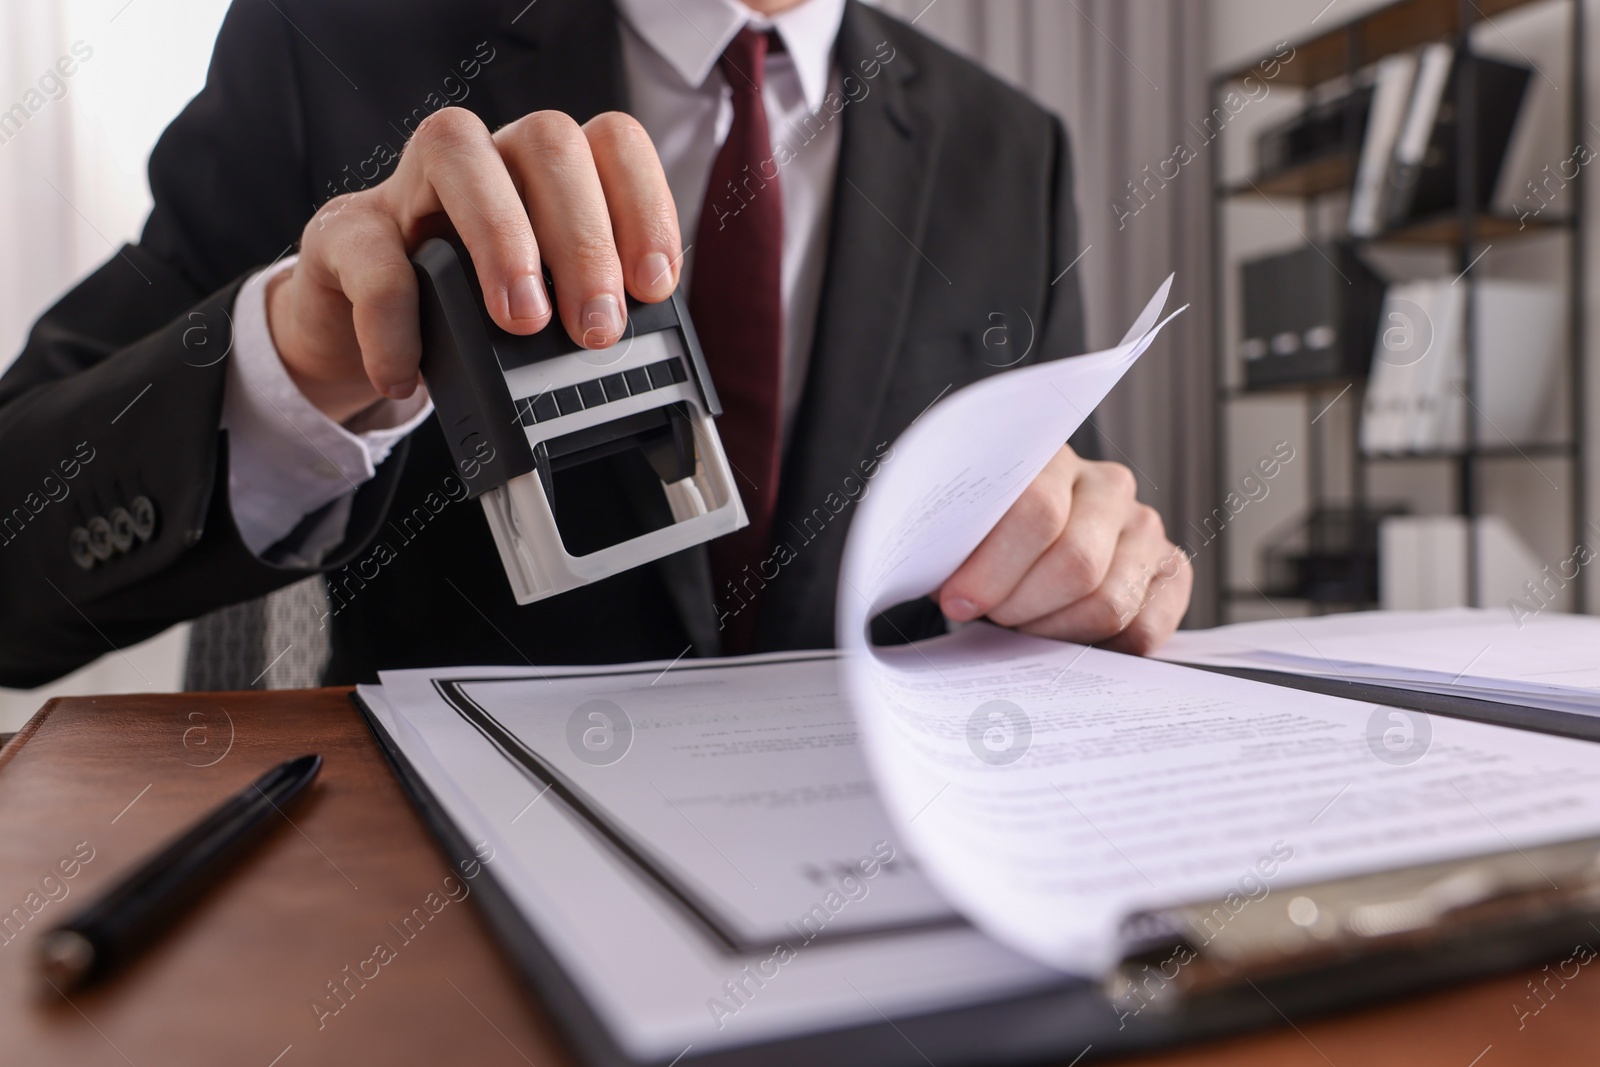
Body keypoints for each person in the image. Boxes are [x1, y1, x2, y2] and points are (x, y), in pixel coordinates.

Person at [0, 0, 1192, 688]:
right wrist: (298, 366)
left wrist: (1092, 562)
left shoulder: (1012, 146)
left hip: (881, 910)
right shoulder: (335, 38)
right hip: (445, 930)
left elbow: (1050, 501)